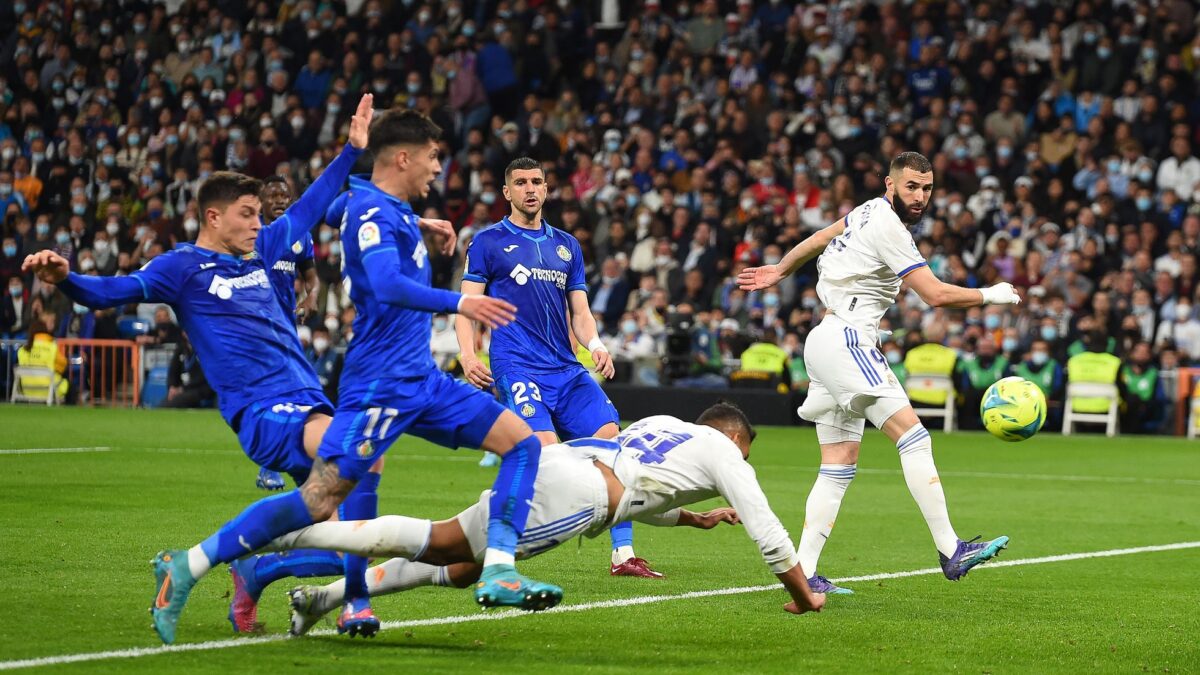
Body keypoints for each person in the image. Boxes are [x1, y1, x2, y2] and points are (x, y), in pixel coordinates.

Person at [20, 95, 401, 644]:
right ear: (212, 217)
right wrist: (66, 279)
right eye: (246, 214)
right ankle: (354, 606)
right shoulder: (182, 267)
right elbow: (111, 292)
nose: (258, 223)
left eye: (258, 214)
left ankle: (256, 569)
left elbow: (314, 204)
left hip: (309, 400)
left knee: (349, 542)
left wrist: (350, 151)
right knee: (368, 448)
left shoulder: (264, 250)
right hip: (263, 410)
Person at [288, 107, 559, 637]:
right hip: (376, 382)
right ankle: (240, 561)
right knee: (331, 499)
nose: (440, 168)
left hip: (423, 379)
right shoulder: (369, 209)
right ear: (405, 157)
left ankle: (500, 569)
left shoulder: (386, 207)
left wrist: (417, 223)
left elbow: (344, 206)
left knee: (522, 445)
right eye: (434, 157)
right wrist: (462, 305)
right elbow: (387, 283)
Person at [264, 404, 824, 635]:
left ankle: (322, 598)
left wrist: (689, 521)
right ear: (732, 437)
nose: (740, 463)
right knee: (441, 545)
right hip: (576, 494)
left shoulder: (664, 424)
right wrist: (803, 596)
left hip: (564, 462)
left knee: (460, 567)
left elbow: (636, 489)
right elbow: (769, 532)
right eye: (742, 452)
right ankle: (278, 533)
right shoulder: (724, 452)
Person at [738, 152, 1020, 594]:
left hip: (827, 340)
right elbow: (935, 295)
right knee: (913, 436)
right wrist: (992, 294)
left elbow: (818, 238)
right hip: (848, 338)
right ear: (890, 184)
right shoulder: (887, 223)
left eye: (927, 188)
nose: (920, 196)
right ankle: (951, 549)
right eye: (911, 186)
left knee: (838, 462)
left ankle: (804, 572)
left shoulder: (867, 209)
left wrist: (781, 268)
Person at [456, 157, 660, 578]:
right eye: (520, 183)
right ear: (507, 192)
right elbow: (467, 306)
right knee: (548, 458)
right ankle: (494, 542)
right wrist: (468, 353)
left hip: (567, 370)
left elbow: (580, 313)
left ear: (547, 189)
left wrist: (597, 344)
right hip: (518, 367)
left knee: (612, 445)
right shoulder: (488, 242)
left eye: (536, 181)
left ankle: (623, 556)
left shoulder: (567, 245)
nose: (530, 189)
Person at [252, 174, 327, 491]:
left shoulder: (300, 236)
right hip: (256, 325)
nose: (280, 200)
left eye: (285, 195)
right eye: (273, 195)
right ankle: (272, 465)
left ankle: (282, 462)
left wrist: (311, 296)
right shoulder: (252, 235)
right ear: (261, 201)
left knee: (285, 393)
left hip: (286, 326)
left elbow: (313, 278)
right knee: (278, 392)